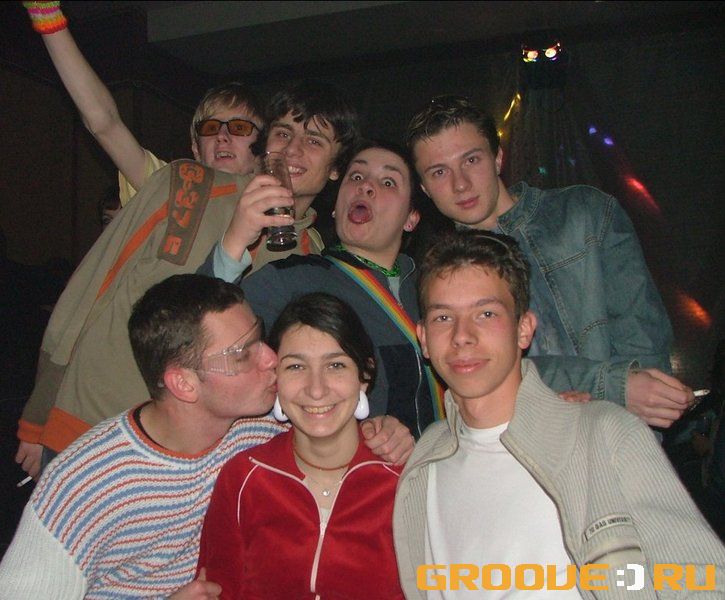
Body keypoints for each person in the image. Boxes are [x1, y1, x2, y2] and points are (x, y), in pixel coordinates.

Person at [15, 75, 360, 478]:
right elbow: (91, 288)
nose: (293, 149)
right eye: (283, 133)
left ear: (335, 169)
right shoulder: (186, 186)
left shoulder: (311, 257)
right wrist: (39, 415)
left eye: (314, 141)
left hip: (200, 463)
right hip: (93, 426)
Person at [393, 230, 725, 598]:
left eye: (486, 313)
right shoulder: (422, 465)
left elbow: (701, 580)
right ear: (424, 338)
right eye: (443, 317)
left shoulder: (602, 436)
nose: (462, 336)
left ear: (524, 330)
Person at [406, 94, 695, 427]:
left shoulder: (585, 214)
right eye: (439, 172)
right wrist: (609, 386)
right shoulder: (439, 276)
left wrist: (641, 400)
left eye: (471, 160)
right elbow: (473, 375)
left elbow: (643, 343)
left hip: (617, 432)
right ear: (425, 188)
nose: (460, 184)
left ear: (497, 158)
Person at [0, 274, 285, 598]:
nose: (271, 358)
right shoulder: (86, 484)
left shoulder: (262, 424)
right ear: (184, 384)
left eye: (261, 336)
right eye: (243, 354)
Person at [202, 141, 443, 438]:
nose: (365, 186)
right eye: (356, 176)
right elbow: (194, 325)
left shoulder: (436, 288)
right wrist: (236, 238)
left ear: (411, 218)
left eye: (388, 182)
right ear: (336, 207)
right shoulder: (294, 279)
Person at [197, 293, 405, 598]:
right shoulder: (243, 478)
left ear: (364, 375)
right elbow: (218, 589)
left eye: (335, 365)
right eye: (296, 367)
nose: (316, 390)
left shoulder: (405, 479)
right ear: (275, 377)